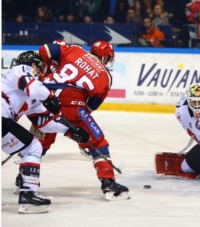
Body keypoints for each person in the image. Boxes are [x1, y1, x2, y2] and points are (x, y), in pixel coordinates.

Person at [34, 40, 130, 201]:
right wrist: (75, 128)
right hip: (72, 106)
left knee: (36, 144)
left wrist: (46, 73)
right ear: (105, 57)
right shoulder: (105, 76)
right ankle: (108, 182)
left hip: (43, 98)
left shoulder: (74, 50)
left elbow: (45, 49)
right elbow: (90, 107)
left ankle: (24, 179)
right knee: (99, 144)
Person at [2, 51, 89, 213]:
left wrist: (70, 130)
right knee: (33, 147)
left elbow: (44, 121)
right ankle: (28, 194)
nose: (41, 72)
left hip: (3, 122)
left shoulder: (30, 96)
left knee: (33, 146)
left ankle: (28, 192)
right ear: (32, 64)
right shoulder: (21, 70)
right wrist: (50, 97)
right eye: (39, 67)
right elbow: (33, 87)